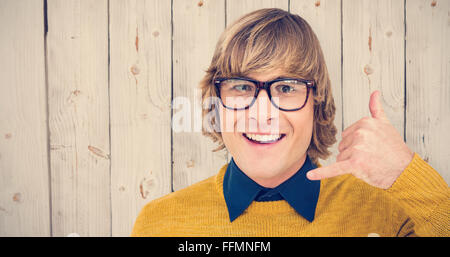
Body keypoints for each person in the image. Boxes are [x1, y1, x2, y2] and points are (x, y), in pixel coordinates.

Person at [131, 8, 449, 236]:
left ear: (316, 103)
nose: (262, 114)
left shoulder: (389, 215)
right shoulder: (160, 224)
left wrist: (406, 172)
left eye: (285, 88)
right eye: (242, 86)